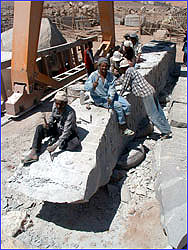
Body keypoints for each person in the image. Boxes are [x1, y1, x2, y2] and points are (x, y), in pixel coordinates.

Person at [118, 59, 172, 139]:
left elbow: (125, 84)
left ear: (123, 68)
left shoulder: (129, 71)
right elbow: (123, 80)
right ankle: (167, 129)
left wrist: (120, 95)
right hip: (150, 90)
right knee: (159, 112)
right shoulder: (132, 70)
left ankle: (165, 132)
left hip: (146, 94)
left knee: (152, 115)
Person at [23, 91, 81, 163]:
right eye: (57, 104)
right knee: (40, 128)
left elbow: (66, 131)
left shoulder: (70, 113)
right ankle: (34, 152)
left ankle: (61, 142)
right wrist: (49, 124)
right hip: (57, 128)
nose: (58, 106)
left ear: (65, 103)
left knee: (75, 145)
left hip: (68, 132)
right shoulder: (55, 105)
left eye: (61, 104)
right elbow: (52, 116)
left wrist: (55, 145)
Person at [84, 57, 134, 136]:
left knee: (127, 105)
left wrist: (111, 97)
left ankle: (125, 120)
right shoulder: (93, 75)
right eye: (102, 66)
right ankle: (123, 127)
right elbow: (86, 87)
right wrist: (92, 86)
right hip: (101, 99)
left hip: (111, 96)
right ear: (99, 66)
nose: (104, 68)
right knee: (118, 106)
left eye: (106, 66)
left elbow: (112, 88)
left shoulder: (110, 75)